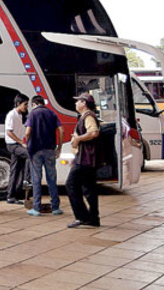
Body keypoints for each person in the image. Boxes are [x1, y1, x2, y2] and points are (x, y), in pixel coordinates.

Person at [24, 95, 64, 216]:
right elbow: (61, 130)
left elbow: (28, 132)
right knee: (52, 178)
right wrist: (59, 148)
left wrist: (28, 142)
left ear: (34, 104)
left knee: (36, 178)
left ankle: (36, 208)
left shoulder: (32, 114)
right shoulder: (52, 113)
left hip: (35, 150)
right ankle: (56, 207)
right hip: (50, 149)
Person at [66, 93, 101, 228]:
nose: (75, 104)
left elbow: (94, 132)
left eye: (77, 101)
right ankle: (93, 218)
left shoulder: (88, 116)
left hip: (84, 159)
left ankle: (82, 217)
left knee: (71, 185)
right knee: (89, 189)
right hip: (87, 158)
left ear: (84, 103)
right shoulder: (87, 116)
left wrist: (79, 138)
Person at [5, 93, 30, 205]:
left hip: (17, 144)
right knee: (30, 154)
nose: (26, 107)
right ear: (18, 104)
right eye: (25, 104)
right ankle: (27, 180)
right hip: (13, 145)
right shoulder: (12, 115)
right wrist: (21, 143)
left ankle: (11, 196)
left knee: (15, 171)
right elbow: (9, 132)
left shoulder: (20, 115)